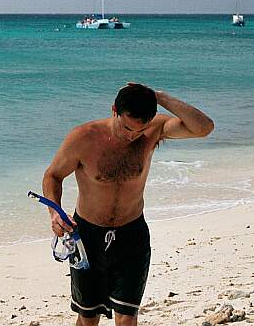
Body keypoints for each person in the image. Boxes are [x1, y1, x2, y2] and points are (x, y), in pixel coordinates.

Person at [42, 83, 214, 326]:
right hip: (87, 237)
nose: (132, 135)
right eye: (127, 127)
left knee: (127, 318)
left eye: (139, 129)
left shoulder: (154, 130)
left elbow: (204, 128)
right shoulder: (84, 137)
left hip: (132, 235)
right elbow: (53, 176)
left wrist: (159, 97)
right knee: (88, 317)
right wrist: (54, 212)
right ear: (114, 110)